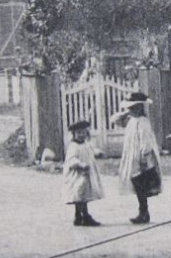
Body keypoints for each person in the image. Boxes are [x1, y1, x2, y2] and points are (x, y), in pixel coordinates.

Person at [113, 90, 161, 225]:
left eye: (134, 107)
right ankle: (143, 211)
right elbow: (115, 120)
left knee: (140, 184)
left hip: (141, 157)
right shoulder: (131, 120)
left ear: (141, 107)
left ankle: (144, 212)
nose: (132, 110)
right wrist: (126, 113)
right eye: (130, 108)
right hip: (132, 156)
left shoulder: (143, 122)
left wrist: (145, 159)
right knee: (137, 184)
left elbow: (146, 141)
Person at [63, 119, 104, 227]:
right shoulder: (73, 146)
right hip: (77, 174)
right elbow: (71, 160)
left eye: (83, 132)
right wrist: (80, 164)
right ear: (74, 134)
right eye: (78, 133)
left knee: (83, 195)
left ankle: (80, 216)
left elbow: (91, 151)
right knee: (79, 194)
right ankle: (82, 215)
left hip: (87, 174)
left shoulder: (86, 144)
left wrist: (97, 153)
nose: (81, 135)